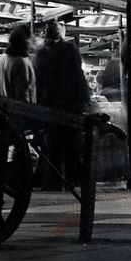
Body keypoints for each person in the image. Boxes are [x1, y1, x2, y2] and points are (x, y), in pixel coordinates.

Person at [33, 19, 91, 189]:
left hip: (50, 104)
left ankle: (54, 181)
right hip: (70, 103)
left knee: (53, 144)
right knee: (72, 144)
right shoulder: (69, 49)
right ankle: (72, 179)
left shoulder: (41, 53)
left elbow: (39, 80)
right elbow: (78, 76)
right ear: (61, 33)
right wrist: (84, 100)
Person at [0, 23, 36, 102]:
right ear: (25, 41)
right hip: (18, 110)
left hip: (3, 106)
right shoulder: (21, 63)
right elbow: (23, 94)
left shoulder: (3, 58)